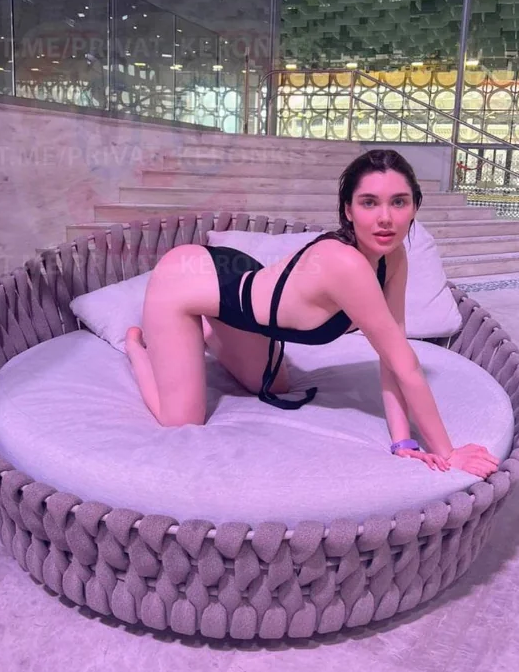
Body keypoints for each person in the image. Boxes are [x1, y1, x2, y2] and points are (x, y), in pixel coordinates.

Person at [126, 149, 499, 478]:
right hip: (184, 281)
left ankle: (206, 334)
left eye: (398, 202)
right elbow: (406, 366)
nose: (385, 218)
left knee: (274, 387)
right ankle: (138, 349)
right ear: (348, 210)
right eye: (369, 203)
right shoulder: (345, 264)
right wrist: (448, 453)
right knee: (181, 420)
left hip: (240, 288)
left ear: (415, 206)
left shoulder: (394, 256)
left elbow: (394, 355)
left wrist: (403, 442)